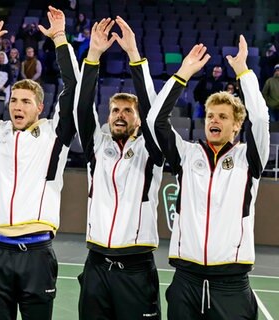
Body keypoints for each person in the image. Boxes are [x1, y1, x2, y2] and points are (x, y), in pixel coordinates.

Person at [0, 7, 78, 319]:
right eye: (13, 101)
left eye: (25, 102)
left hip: (37, 255)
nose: (17, 107)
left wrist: (60, 37)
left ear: (40, 106)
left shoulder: (53, 135)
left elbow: (74, 89)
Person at [147, 36, 270, 319]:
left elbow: (261, 119)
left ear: (237, 125)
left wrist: (243, 72)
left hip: (231, 286)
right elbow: (155, 121)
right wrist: (183, 74)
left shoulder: (249, 159)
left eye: (223, 117)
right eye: (210, 115)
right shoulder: (186, 155)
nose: (214, 120)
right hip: (185, 281)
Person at [75, 16, 164, 320]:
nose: (120, 115)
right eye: (115, 110)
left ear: (138, 119)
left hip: (137, 268)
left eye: (128, 110)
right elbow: (81, 109)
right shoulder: (97, 147)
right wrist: (93, 56)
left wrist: (135, 57)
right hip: (96, 264)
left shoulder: (151, 149)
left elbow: (155, 114)